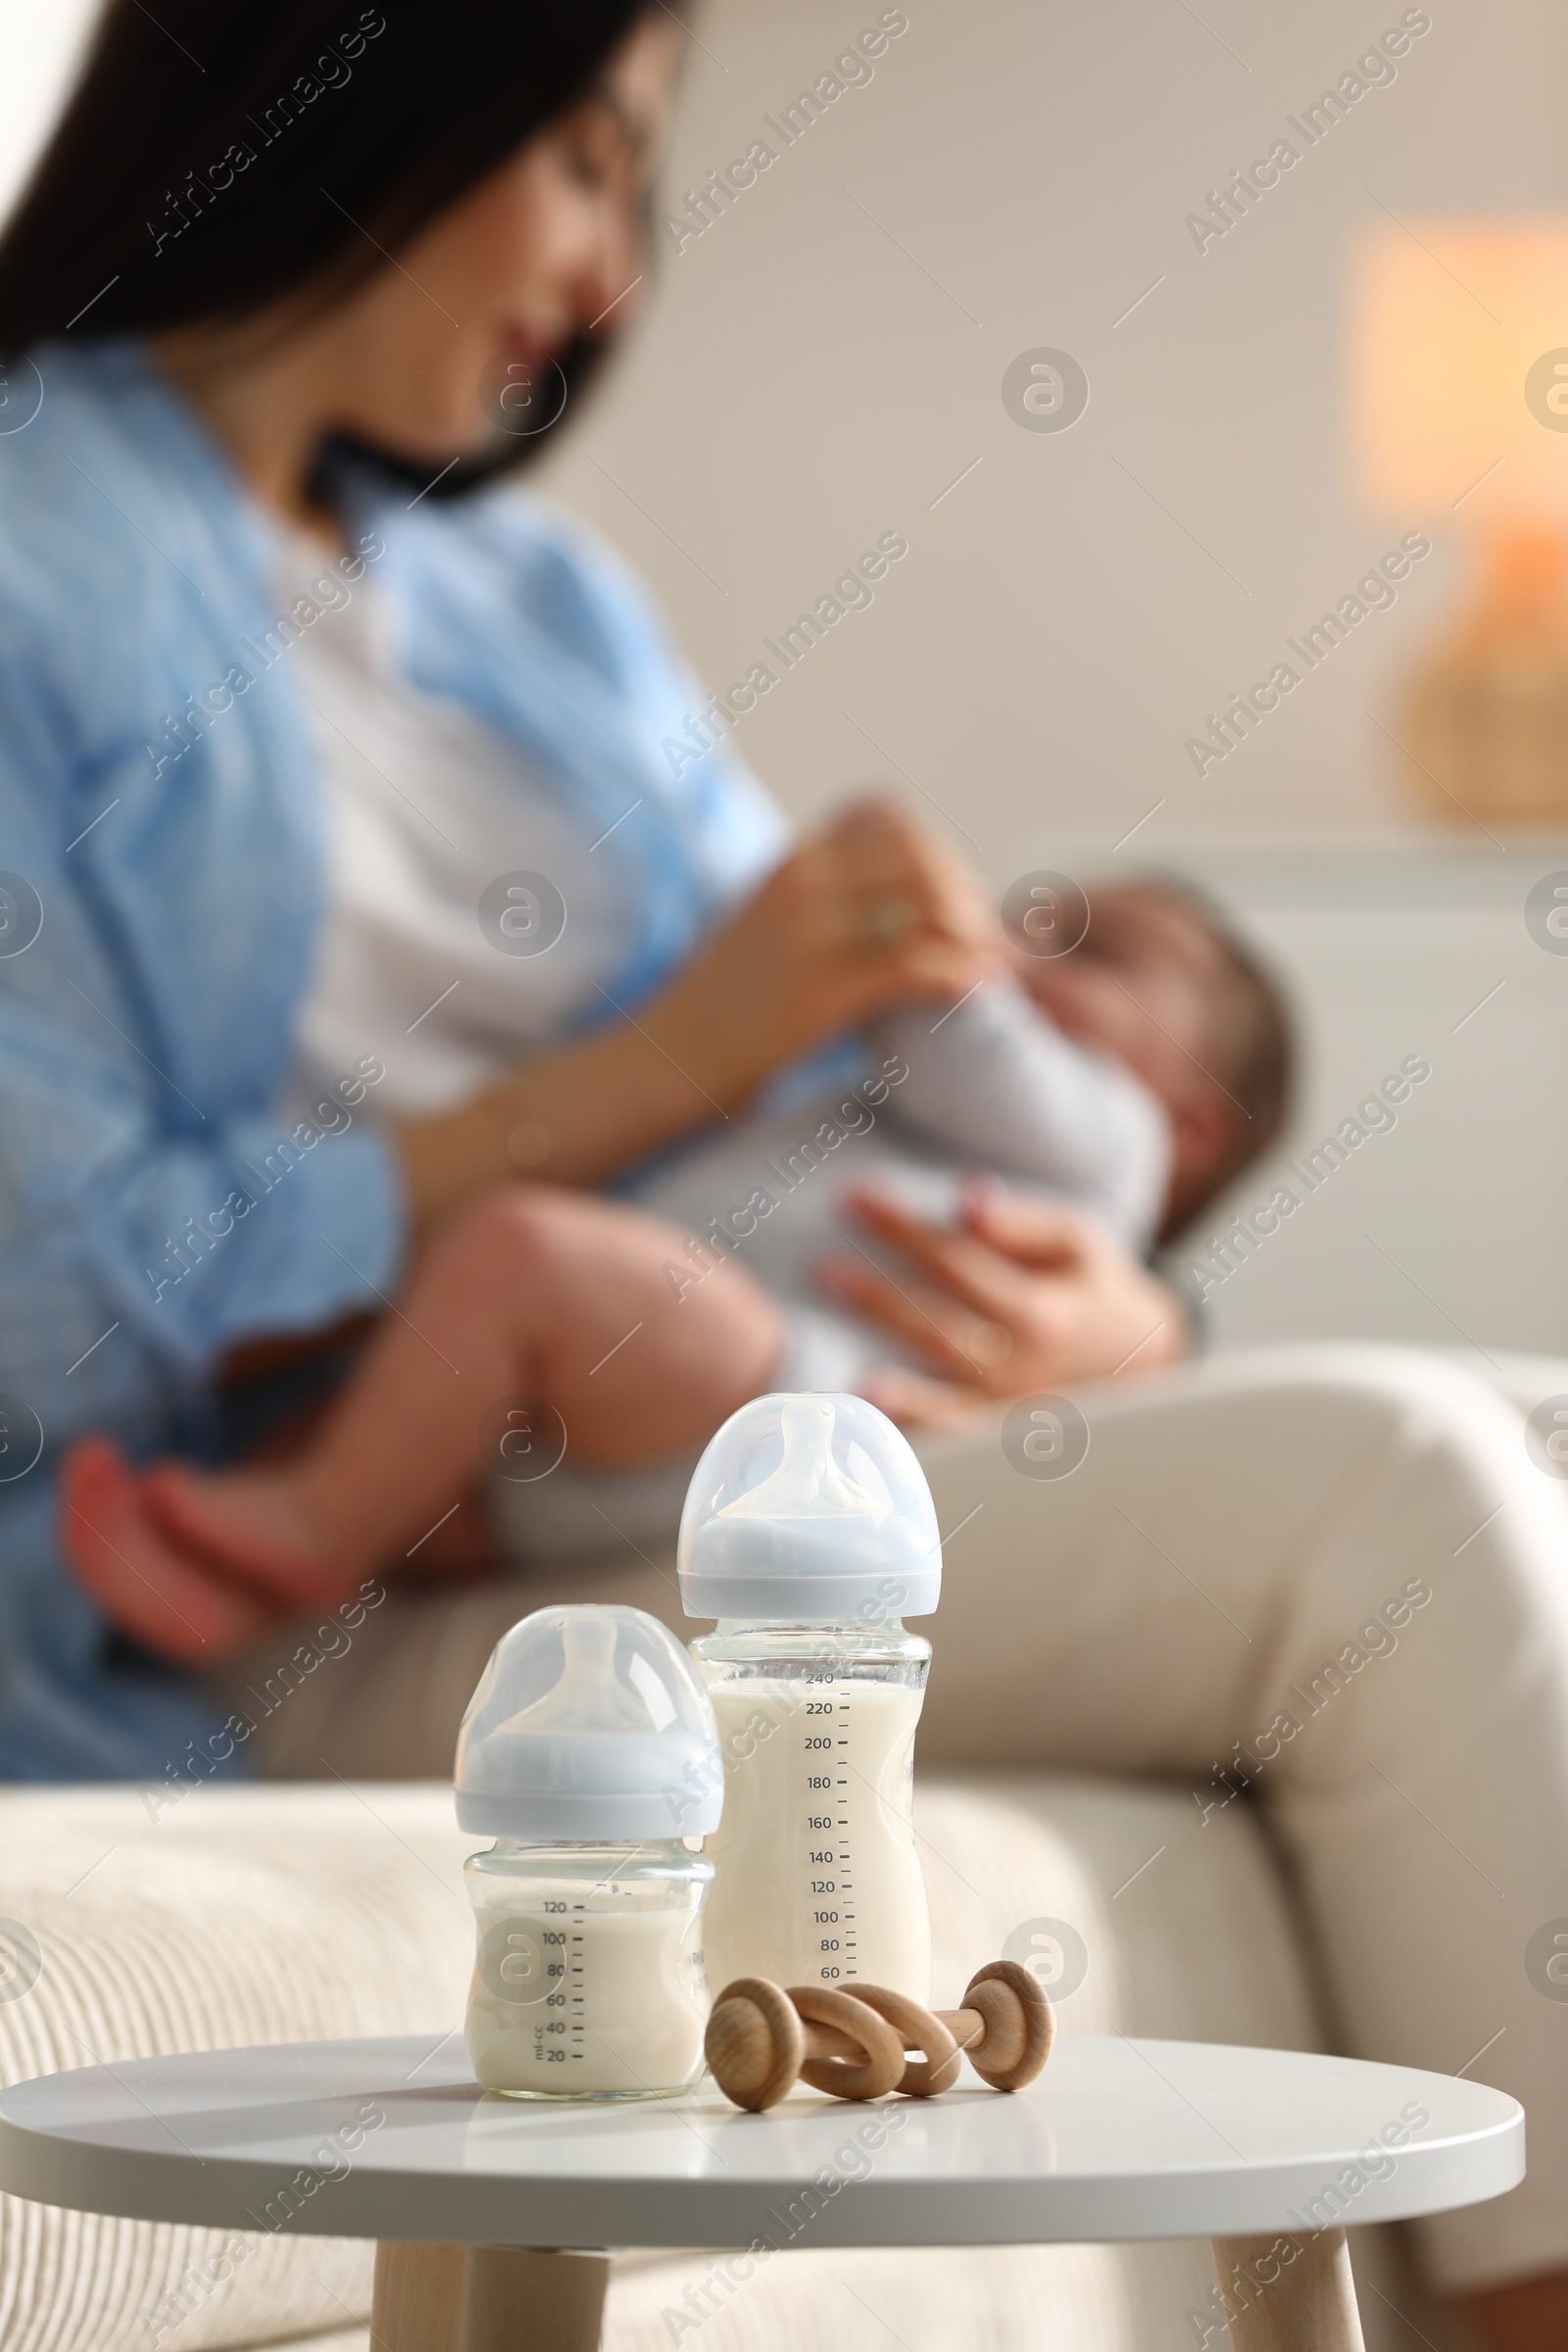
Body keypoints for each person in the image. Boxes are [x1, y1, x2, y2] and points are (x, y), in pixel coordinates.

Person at [0, 8, 1564, 2338]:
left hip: (742, 1439)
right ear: (371, 79)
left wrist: (1132, 1318)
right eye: (586, 164)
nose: (613, 277)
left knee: (1536, 1410)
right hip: (311, 1561)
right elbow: (43, 1288)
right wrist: (634, 1077)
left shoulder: (538, 613)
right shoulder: (38, 555)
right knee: (1411, 1488)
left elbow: (878, 1069)